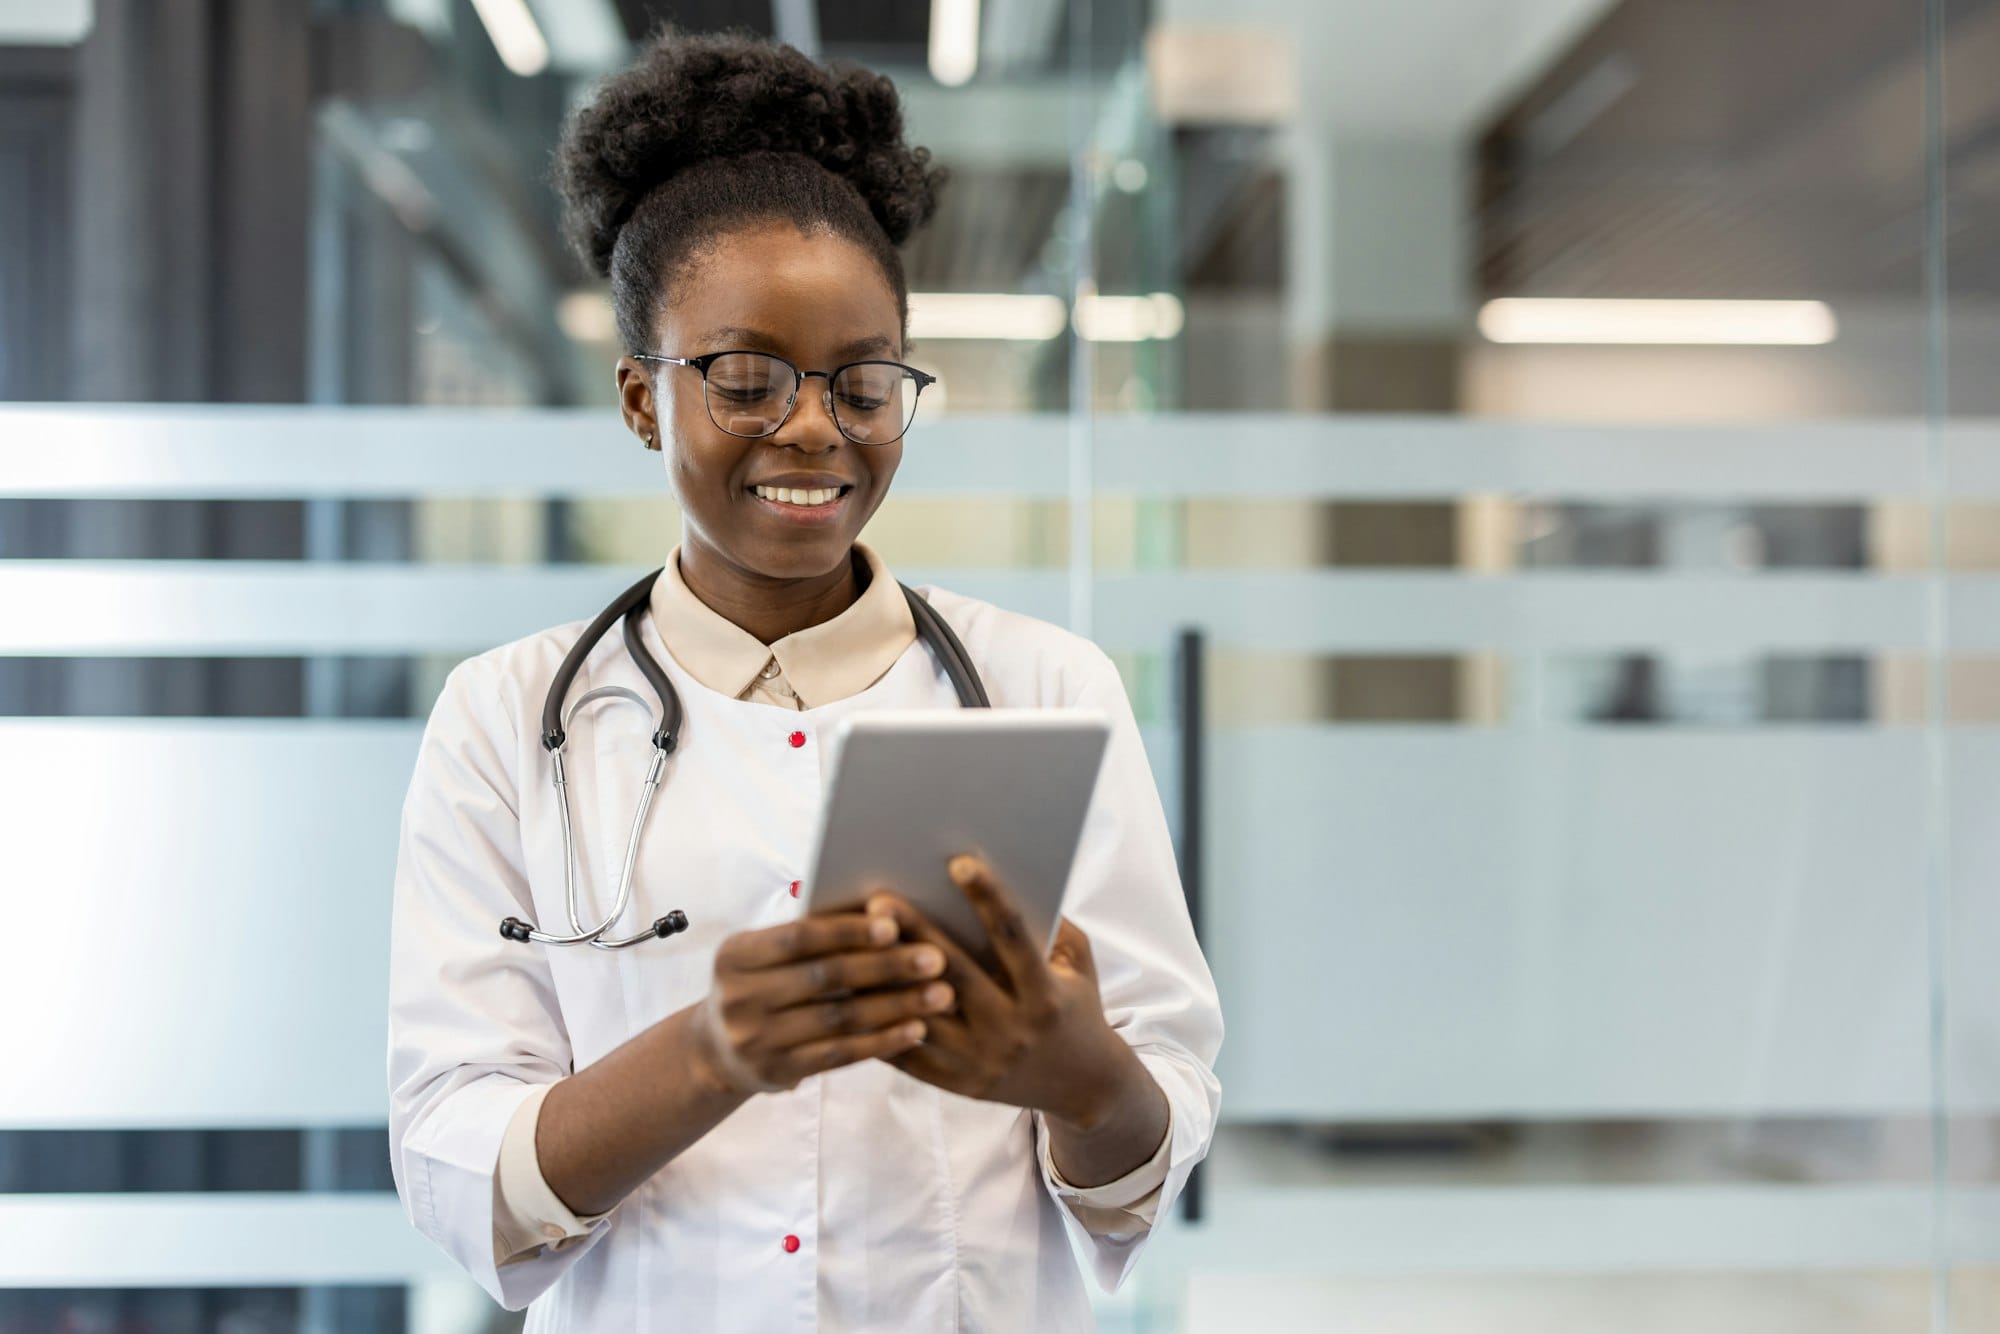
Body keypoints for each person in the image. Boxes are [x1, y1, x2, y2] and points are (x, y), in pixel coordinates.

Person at [386, 30, 1220, 1331]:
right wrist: (711, 1052)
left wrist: (1079, 1076)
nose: (815, 425)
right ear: (642, 398)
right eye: (745, 376)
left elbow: (1147, 1137)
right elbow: (458, 1167)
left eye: (865, 379)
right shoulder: (506, 721)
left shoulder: (1045, 684)